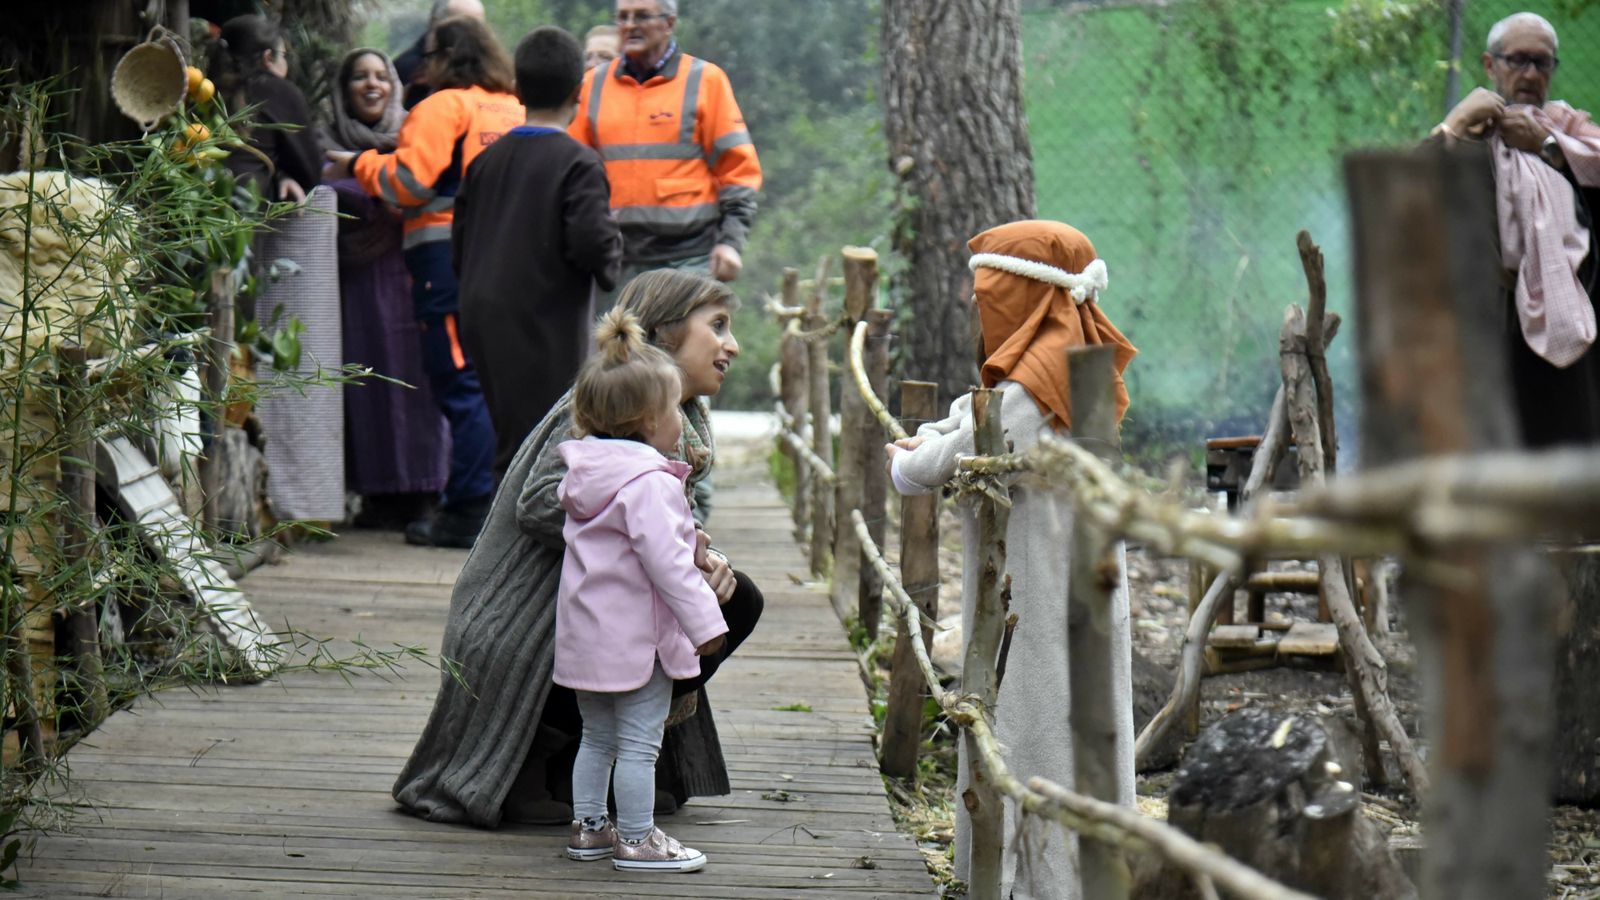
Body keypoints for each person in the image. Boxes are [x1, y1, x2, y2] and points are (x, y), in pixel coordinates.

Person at [392, 269, 764, 829]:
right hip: (520, 619)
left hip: (595, 592)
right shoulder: (605, 406)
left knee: (737, 600)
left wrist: (699, 555)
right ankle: (549, 755)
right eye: (717, 326)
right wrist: (650, 540)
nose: (731, 344)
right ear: (664, 334)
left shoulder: (679, 418)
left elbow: (656, 514)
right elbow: (541, 502)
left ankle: (601, 761)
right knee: (704, 610)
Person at [884, 220, 1138, 899]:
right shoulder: (1065, 356)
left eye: (986, 290)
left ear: (1022, 293)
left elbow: (959, 454)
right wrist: (936, 437)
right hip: (1067, 579)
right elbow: (978, 418)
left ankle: (1035, 883)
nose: (975, 304)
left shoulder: (1043, 376)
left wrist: (910, 463)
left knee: (1038, 732)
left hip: (1046, 590)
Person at [326, 16, 525, 547]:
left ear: (450, 58)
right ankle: (500, 505)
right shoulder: (512, 107)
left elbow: (411, 183)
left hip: (447, 260)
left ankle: (464, 512)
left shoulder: (444, 106)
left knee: (461, 382)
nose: (424, 66)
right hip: (512, 263)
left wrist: (362, 164)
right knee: (496, 385)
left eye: (431, 56)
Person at [556, 308, 726, 873]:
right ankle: (636, 838)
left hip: (587, 637)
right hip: (637, 643)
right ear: (649, 419)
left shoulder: (587, 474)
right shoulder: (649, 481)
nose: (681, 418)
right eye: (675, 407)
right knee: (637, 745)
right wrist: (706, 626)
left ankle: (588, 827)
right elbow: (668, 567)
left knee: (596, 738)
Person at [454, 26, 622, 476]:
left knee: (512, 439)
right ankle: (522, 545)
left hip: (483, 316)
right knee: (547, 449)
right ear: (578, 91)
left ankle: (507, 542)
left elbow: (461, 245)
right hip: (544, 324)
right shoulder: (579, 163)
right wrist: (612, 254)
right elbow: (592, 241)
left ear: (518, 90)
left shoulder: (484, 162)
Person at [1433, 12, 1600, 447]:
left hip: (1571, 356)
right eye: (1518, 60)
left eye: (1542, 63)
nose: (1530, 74)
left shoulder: (1572, 140)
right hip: (1484, 341)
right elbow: (1403, 197)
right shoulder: (1468, 140)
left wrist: (1548, 149)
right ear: (1490, 65)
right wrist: (1454, 124)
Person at [322, 47, 450, 527]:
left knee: (418, 386)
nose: (371, 85)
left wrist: (357, 175)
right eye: (359, 77)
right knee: (367, 383)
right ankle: (377, 495)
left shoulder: (418, 137)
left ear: (395, 86)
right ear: (343, 89)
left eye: (381, 76)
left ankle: (426, 491)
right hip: (353, 286)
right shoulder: (323, 140)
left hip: (413, 275)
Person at [569, 0, 762, 305]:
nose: (630, 25)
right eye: (623, 17)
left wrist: (731, 243)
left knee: (684, 352)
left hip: (689, 260)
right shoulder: (592, 85)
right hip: (615, 262)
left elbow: (738, 171)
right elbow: (572, 172)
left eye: (642, 16)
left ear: (669, 23)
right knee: (620, 353)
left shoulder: (706, 81)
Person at [212, 15, 321, 203]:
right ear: (268, 57)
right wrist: (282, 174)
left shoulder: (203, 89)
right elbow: (310, 173)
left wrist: (278, 173)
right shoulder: (279, 90)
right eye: (284, 56)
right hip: (243, 220)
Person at [394, 0, 487, 110]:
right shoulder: (411, 70)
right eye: (465, 27)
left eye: (479, 27)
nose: (475, 34)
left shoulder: (489, 69)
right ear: (436, 23)